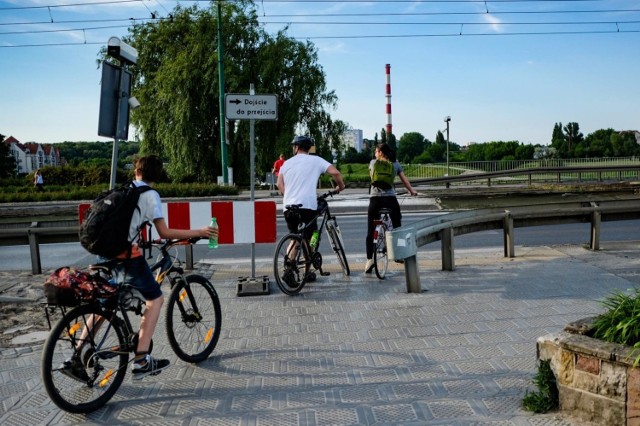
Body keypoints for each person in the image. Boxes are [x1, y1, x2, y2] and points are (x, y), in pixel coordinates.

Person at [108, 155, 217, 379]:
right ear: (157, 176)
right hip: (126, 254)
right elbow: (165, 232)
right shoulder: (149, 194)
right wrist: (199, 232)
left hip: (105, 250)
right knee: (156, 299)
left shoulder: (124, 189)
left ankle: (79, 352)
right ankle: (140, 361)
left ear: (136, 171)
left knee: (108, 300)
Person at [276, 136, 345, 263]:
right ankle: (310, 258)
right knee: (314, 233)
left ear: (296, 148)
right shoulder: (316, 160)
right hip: (307, 206)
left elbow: (279, 184)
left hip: (288, 207)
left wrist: (289, 195)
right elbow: (335, 173)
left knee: (295, 237)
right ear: (308, 148)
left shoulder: (286, 163)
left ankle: (289, 266)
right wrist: (340, 187)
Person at [364, 143, 418, 273]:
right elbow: (404, 180)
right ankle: (398, 255)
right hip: (390, 199)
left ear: (381, 153)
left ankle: (369, 260)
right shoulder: (395, 164)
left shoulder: (372, 163)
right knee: (397, 224)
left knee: (370, 230)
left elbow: (373, 178)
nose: (375, 154)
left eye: (376, 151)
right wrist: (411, 191)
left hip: (375, 199)